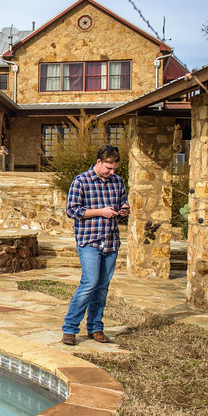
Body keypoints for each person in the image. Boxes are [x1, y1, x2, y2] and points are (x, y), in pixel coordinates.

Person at [61, 144, 130, 346]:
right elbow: (72, 210)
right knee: (89, 283)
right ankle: (70, 329)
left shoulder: (117, 181)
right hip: (89, 240)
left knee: (102, 287)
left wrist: (124, 210)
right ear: (99, 162)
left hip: (111, 241)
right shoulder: (80, 181)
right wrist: (100, 211)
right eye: (109, 168)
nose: (112, 172)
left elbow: (123, 203)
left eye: (115, 168)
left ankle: (96, 328)